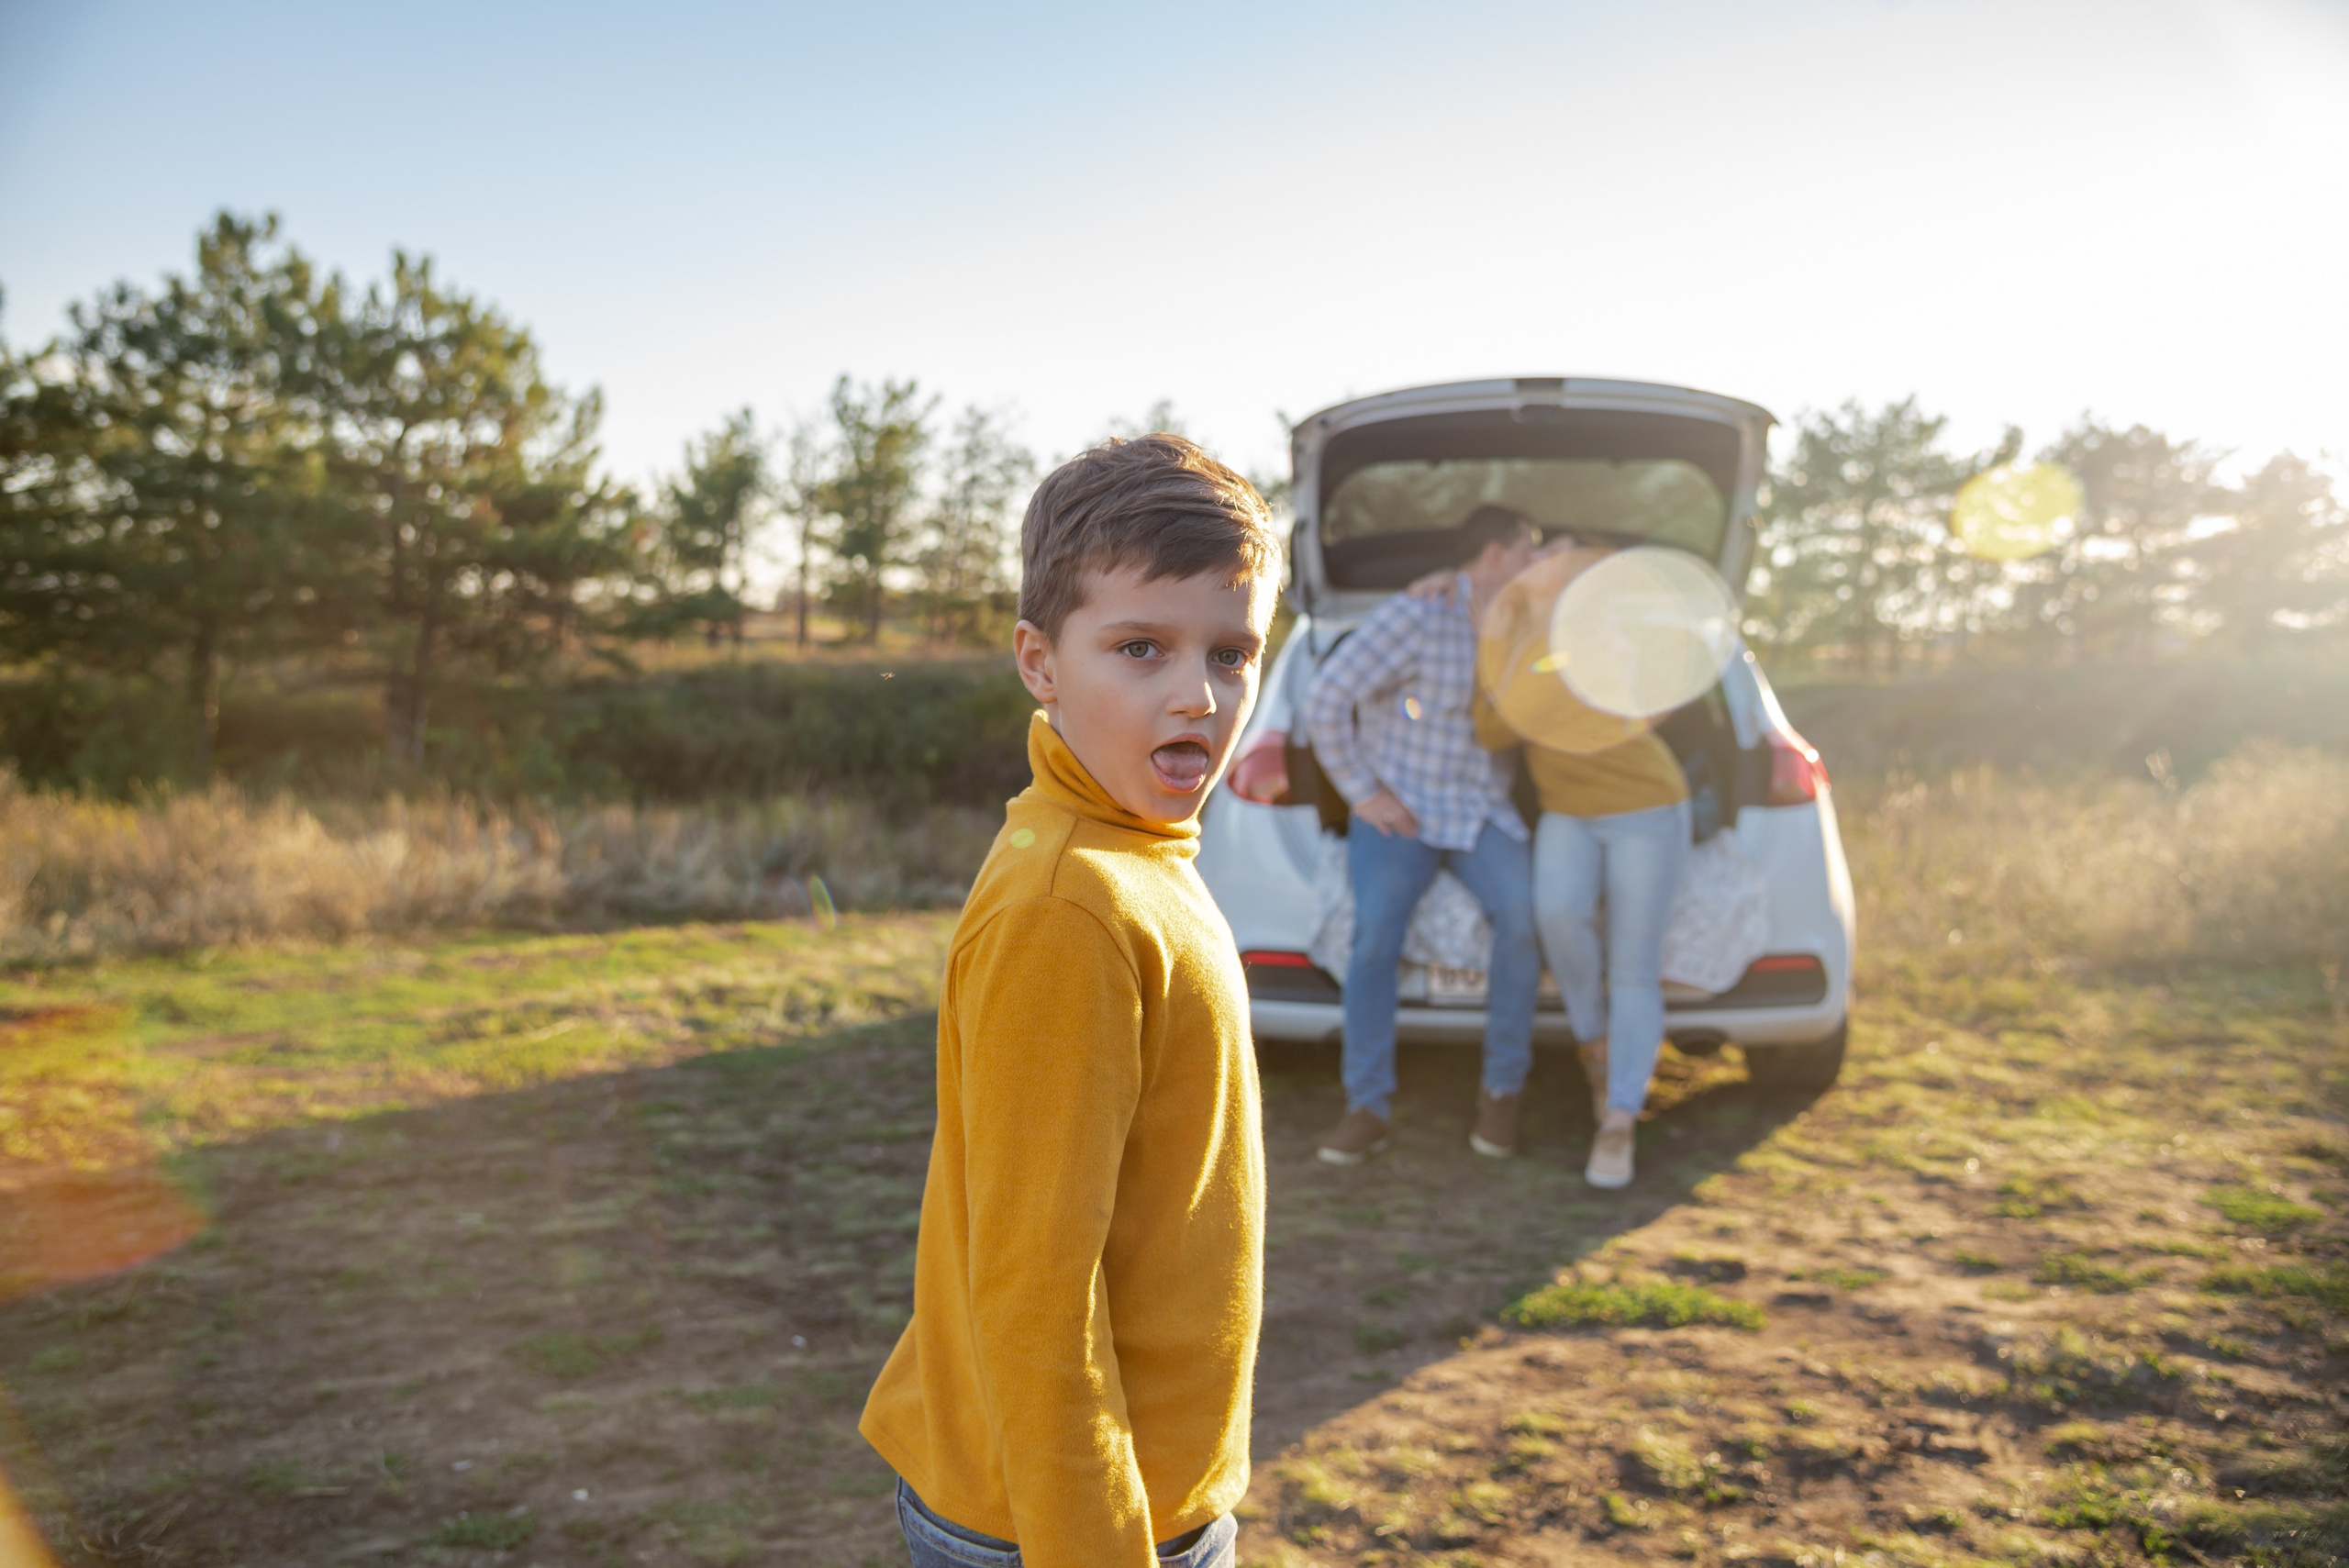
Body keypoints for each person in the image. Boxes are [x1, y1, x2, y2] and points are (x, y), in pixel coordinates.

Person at [857, 435, 1279, 1568]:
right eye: (1139, 646)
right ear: (1039, 661)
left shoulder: (1134, 850)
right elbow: (1035, 1288)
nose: (1197, 693)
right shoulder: (1068, 905)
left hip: (1141, 1490)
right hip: (1062, 1524)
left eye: (1232, 653)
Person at [1300, 505, 1543, 1164]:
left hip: (1483, 810)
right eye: (1528, 549)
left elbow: (1579, 577)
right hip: (1402, 809)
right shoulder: (1416, 614)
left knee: (1523, 918)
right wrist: (1364, 793)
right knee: (1375, 932)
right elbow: (1325, 697)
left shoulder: (1526, 618)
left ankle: (1502, 1092)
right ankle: (1367, 1105)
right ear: (1494, 554)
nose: (1534, 561)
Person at [1471, 542, 1690, 1189]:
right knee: (1558, 917)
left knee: (1632, 962)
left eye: (1553, 560)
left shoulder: (1598, 631)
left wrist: (1528, 631)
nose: (1540, 565)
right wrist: (1512, 632)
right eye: (1537, 559)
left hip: (1646, 804)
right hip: (1568, 808)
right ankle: (1596, 1047)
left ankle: (1619, 1117)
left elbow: (1560, 699)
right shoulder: (1516, 635)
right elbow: (1493, 728)